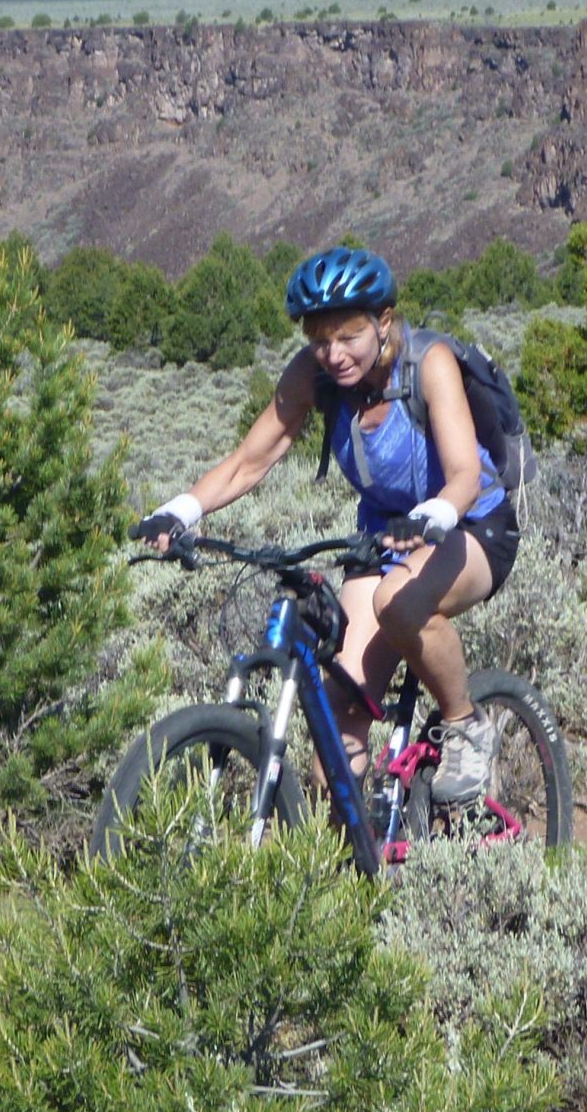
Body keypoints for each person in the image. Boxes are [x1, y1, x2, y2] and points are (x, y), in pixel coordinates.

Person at [133, 246, 518, 804]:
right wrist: (181, 510)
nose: (332, 354)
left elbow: (462, 473)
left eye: (348, 336)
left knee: (400, 602)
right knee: (337, 737)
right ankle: (357, 875)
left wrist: (434, 513)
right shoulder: (314, 376)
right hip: (386, 537)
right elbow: (249, 460)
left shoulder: (428, 363)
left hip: (470, 525)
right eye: (319, 339)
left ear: (383, 322)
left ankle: (465, 724)